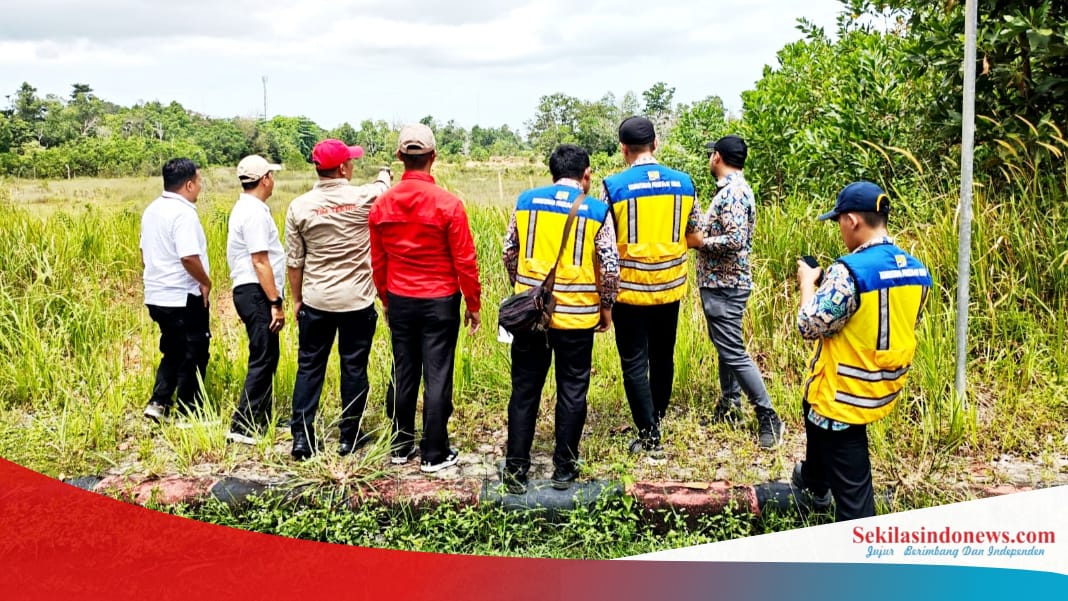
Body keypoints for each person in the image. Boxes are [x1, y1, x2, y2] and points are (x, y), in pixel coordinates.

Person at [793, 181, 931, 521]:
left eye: (839, 220)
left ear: (852, 220)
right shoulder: (916, 268)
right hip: (885, 383)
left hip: (847, 395)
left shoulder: (848, 272)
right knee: (810, 402)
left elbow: (809, 325)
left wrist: (808, 284)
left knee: (855, 498)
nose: (839, 228)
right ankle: (815, 480)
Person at [501, 144, 620, 493]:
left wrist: (525, 290)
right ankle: (564, 470)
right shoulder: (597, 210)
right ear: (585, 176)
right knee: (572, 391)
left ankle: (516, 470)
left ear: (552, 172)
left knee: (524, 391)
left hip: (533, 318)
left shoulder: (526, 202)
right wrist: (607, 306)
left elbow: (510, 251)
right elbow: (610, 265)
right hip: (578, 318)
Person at [369, 123, 482, 473]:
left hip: (401, 298)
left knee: (405, 372)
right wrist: (473, 305)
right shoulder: (448, 204)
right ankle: (434, 452)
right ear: (433, 157)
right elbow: (465, 260)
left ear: (401, 157)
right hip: (440, 301)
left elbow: (378, 260)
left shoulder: (382, 204)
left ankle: (401, 446)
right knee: (437, 374)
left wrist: (386, 300)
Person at [284, 139, 392, 460]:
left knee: (309, 367)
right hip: (356, 302)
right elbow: (382, 186)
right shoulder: (362, 198)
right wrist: (385, 172)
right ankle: (349, 436)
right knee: (354, 367)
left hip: (316, 300)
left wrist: (296, 300)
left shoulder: (299, 206)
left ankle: (302, 439)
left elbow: (295, 261)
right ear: (344, 168)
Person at [601, 116, 702, 457]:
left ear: (623, 149)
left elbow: (604, 237)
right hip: (670, 286)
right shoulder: (685, 183)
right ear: (656, 143)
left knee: (634, 361)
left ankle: (649, 436)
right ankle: (656, 420)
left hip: (630, 290)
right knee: (663, 357)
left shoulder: (614, 186)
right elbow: (694, 232)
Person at [694, 135, 784, 448]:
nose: (710, 160)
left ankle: (768, 415)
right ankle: (730, 405)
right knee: (726, 346)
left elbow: (734, 239)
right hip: (724, 283)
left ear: (717, 157)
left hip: (726, 284)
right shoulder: (736, 189)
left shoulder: (732, 193)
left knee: (732, 350)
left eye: (711, 155)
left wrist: (700, 242)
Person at [140, 158, 211, 422]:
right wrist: (205, 281)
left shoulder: (152, 210)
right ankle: (189, 412)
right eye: (199, 182)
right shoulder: (183, 213)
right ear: (189, 184)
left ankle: (158, 402)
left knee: (173, 348)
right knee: (195, 350)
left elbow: (143, 253)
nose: (200, 187)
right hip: (182, 295)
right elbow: (189, 257)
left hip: (156, 294)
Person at [225, 155, 285, 444]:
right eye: (271, 175)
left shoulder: (247, 208)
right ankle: (243, 424)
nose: (273, 179)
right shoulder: (255, 213)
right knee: (263, 356)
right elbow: (260, 260)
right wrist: (275, 301)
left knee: (268, 354)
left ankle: (262, 419)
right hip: (256, 292)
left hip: (250, 291)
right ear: (264, 180)